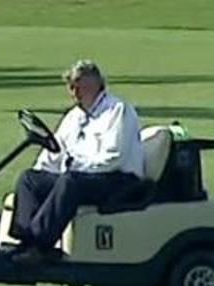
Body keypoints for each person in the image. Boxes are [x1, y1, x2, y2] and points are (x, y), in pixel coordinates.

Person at [9, 59, 144, 265]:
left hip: (117, 179)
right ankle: (25, 239)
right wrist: (43, 172)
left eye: (78, 85)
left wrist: (76, 170)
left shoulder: (117, 111)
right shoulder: (74, 117)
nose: (74, 92)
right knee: (29, 179)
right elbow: (55, 153)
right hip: (82, 178)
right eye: (71, 87)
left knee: (70, 182)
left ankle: (39, 245)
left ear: (95, 83)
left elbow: (114, 157)